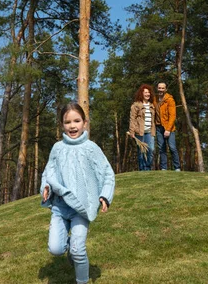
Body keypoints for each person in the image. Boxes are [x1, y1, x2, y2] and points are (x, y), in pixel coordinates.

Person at [40, 103, 115, 284]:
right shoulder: (57, 148)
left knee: (78, 249)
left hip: (81, 208)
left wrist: (105, 195)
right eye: (67, 122)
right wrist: (45, 187)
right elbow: (48, 172)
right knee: (56, 249)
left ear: (84, 123)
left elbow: (107, 173)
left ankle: (82, 280)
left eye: (77, 121)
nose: (72, 126)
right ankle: (70, 251)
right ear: (62, 125)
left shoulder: (91, 148)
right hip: (59, 207)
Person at [154, 82, 180, 171]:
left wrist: (168, 129)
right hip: (158, 127)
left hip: (169, 128)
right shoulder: (155, 99)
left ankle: (177, 167)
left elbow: (172, 116)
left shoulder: (169, 100)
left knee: (172, 147)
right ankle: (164, 168)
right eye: (159, 88)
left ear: (165, 89)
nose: (161, 90)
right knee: (162, 148)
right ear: (157, 88)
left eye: (162, 88)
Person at [129, 84, 156, 171]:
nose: (147, 94)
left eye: (148, 92)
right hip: (139, 132)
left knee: (151, 150)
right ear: (141, 94)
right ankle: (142, 169)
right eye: (145, 92)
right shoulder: (136, 105)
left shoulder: (152, 105)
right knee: (141, 151)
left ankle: (148, 168)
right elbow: (132, 118)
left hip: (149, 132)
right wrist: (132, 131)